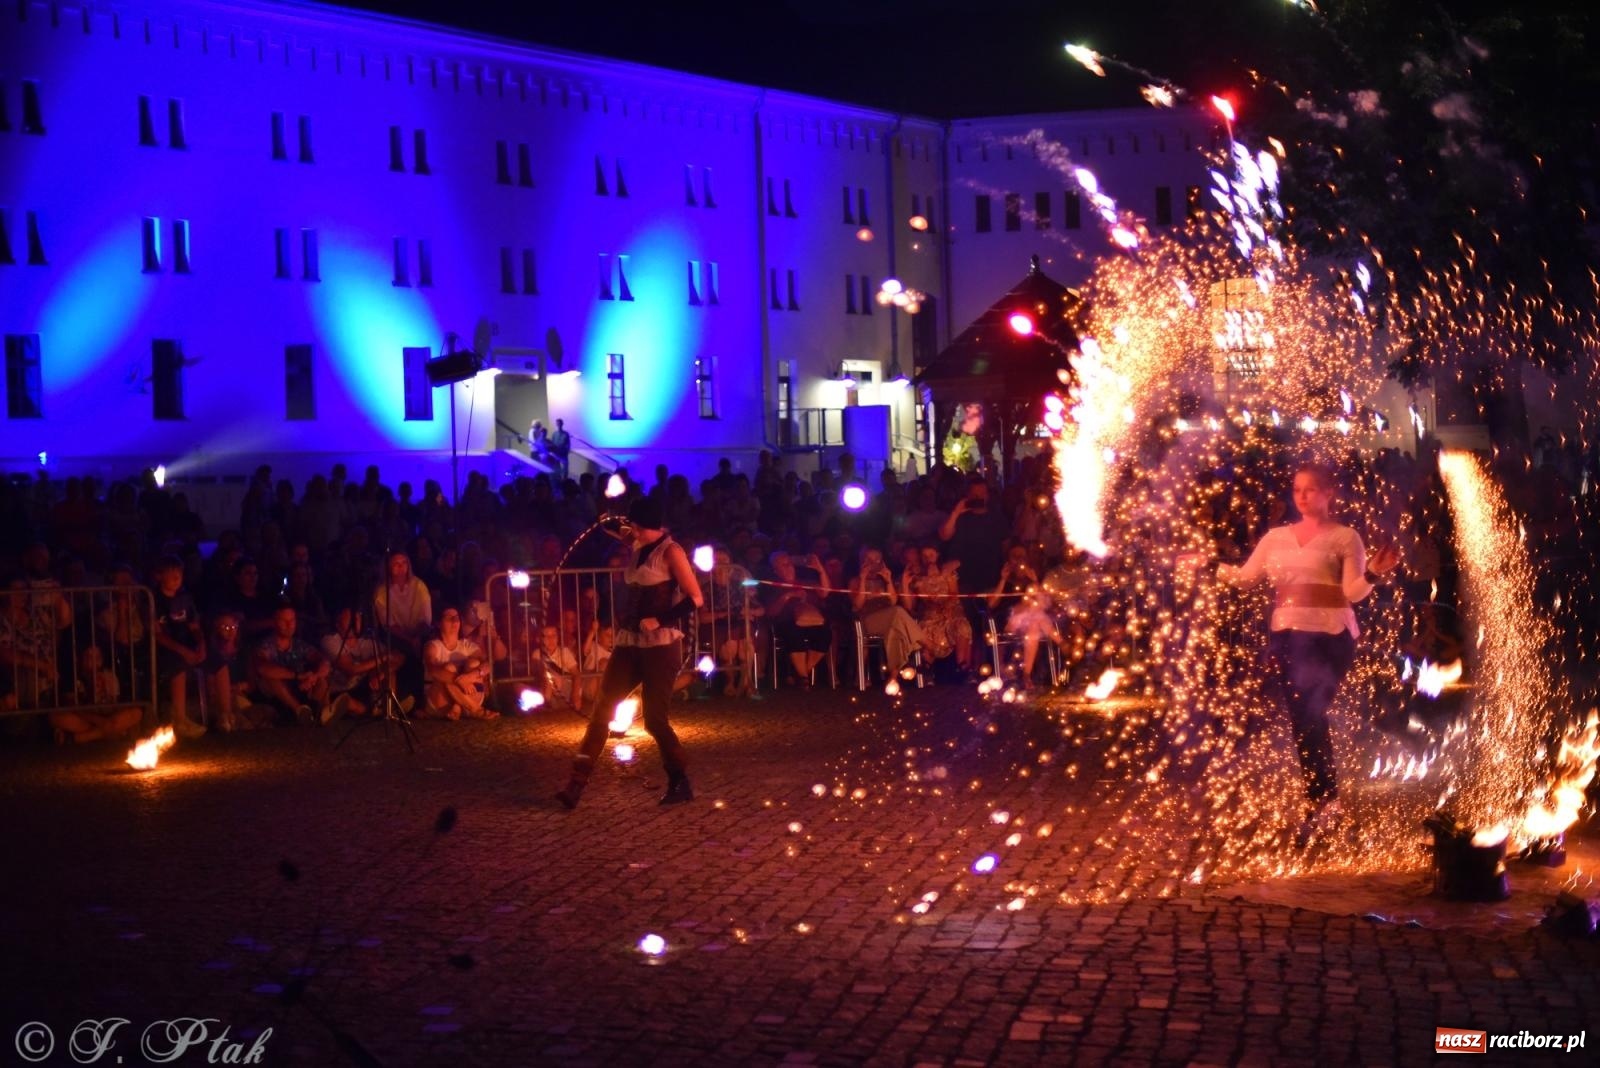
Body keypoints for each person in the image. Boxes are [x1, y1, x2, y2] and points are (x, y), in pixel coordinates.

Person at [1201, 463, 1400, 841]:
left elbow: (1353, 592)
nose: (1302, 496)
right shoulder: (1276, 538)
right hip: (1288, 638)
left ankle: (1323, 801)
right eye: (1297, 490)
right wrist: (1210, 565)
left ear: (1329, 494)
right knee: (1303, 720)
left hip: (1329, 637)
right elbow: (1245, 579)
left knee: (1312, 713)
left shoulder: (1346, 537)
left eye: (1311, 489)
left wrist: (1374, 572)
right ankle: (1323, 802)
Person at [556, 496, 704, 808]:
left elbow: (695, 598)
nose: (629, 531)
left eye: (633, 525)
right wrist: (607, 516)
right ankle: (575, 784)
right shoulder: (636, 539)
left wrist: (660, 619)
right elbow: (613, 526)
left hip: (662, 645)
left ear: (643, 525)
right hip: (629, 641)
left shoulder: (671, 551)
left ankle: (680, 780)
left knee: (654, 720)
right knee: (601, 711)